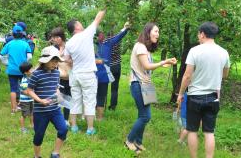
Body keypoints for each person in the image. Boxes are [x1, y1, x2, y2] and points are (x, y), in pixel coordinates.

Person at [177, 22, 230, 158]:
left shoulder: (195, 51)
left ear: (202, 34)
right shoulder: (224, 52)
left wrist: (181, 93)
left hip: (195, 97)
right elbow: (225, 75)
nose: (198, 37)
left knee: (192, 130)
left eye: (198, 34)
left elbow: (187, 75)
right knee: (209, 132)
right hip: (213, 97)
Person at [125, 22, 177, 153]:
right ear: (148, 32)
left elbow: (146, 67)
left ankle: (138, 141)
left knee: (143, 114)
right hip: (138, 84)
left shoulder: (145, 49)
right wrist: (163, 62)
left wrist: (162, 64)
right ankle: (129, 140)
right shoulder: (140, 47)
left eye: (158, 32)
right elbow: (147, 66)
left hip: (146, 84)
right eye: (156, 31)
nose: (158, 35)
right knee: (145, 116)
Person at [64, 9, 106, 135]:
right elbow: (98, 17)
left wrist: (76, 62)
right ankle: (90, 129)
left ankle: (74, 127)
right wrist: (106, 3)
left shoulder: (69, 43)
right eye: (79, 23)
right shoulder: (86, 33)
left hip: (75, 74)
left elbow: (67, 59)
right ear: (76, 26)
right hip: (87, 74)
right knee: (89, 100)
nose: (81, 24)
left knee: (75, 100)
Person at [23, 46, 68, 158]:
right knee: (39, 135)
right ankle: (37, 156)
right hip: (40, 111)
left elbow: (55, 87)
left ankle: (55, 153)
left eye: (57, 60)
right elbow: (29, 90)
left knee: (63, 129)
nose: (55, 63)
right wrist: (40, 100)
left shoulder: (57, 73)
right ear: (45, 60)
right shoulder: (36, 74)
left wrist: (58, 95)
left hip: (55, 109)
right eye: (53, 60)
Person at [95, 22, 130, 120]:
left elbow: (118, 37)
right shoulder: (101, 44)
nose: (103, 35)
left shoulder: (104, 43)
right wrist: (124, 29)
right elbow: (118, 37)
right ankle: (97, 117)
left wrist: (125, 29)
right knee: (97, 95)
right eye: (101, 33)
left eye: (103, 33)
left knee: (99, 95)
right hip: (96, 74)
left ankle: (98, 117)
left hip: (100, 75)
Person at [0, 25, 32, 114]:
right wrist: (25, 64)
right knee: (24, 88)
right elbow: (29, 56)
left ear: (13, 34)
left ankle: (13, 109)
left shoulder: (9, 44)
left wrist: (6, 63)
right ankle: (22, 106)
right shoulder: (25, 44)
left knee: (13, 89)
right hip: (22, 70)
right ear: (22, 34)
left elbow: (0, 56)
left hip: (11, 70)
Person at [50, 27, 71, 127]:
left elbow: (74, 61)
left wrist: (65, 59)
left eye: (56, 37)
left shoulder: (69, 47)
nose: (54, 39)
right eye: (53, 37)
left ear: (61, 37)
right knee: (58, 98)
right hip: (59, 78)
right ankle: (55, 118)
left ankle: (66, 120)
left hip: (70, 77)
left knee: (69, 99)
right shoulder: (54, 49)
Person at [19, 62, 34, 133]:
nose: (33, 70)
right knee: (24, 115)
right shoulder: (25, 80)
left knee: (32, 113)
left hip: (31, 99)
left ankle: (32, 125)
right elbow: (25, 91)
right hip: (25, 101)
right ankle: (22, 128)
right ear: (26, 72)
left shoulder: (30, 78)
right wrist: (34, 94)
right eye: (31, 69)